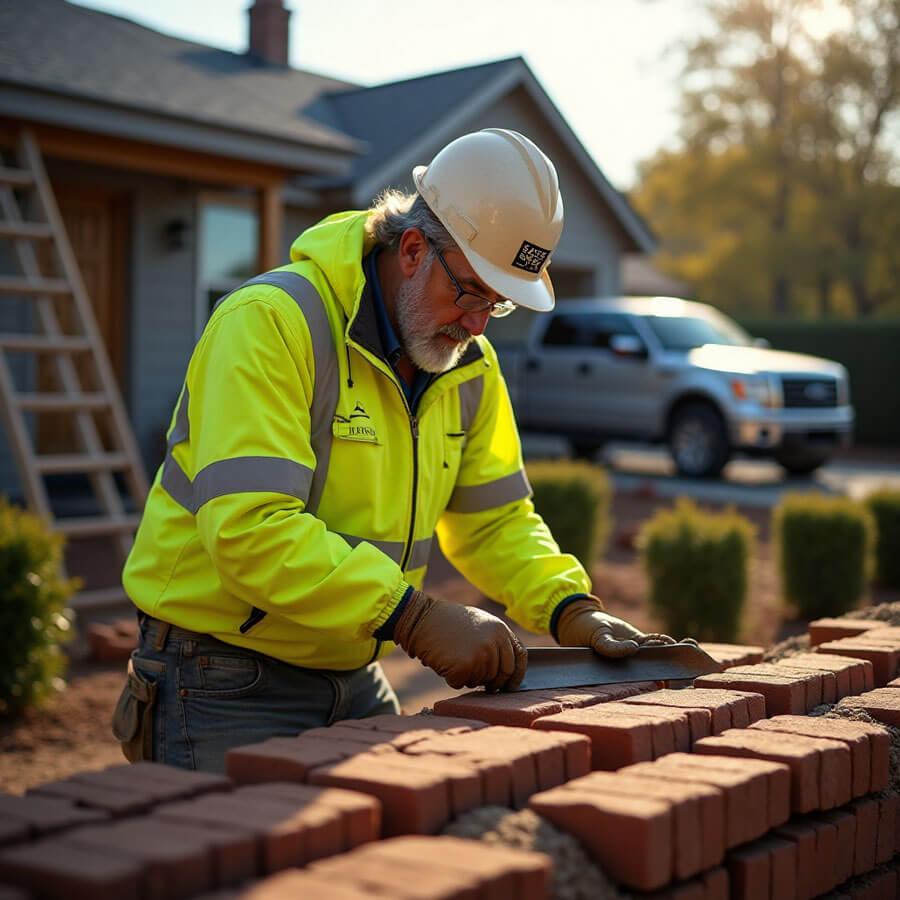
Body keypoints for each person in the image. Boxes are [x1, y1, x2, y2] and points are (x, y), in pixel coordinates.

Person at [114, 128, 674, 773]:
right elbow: (249, 528)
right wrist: (412, 617)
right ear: (412, 249)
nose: (478, 323)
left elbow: (493, 521)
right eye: (470, 291)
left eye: (498, 304)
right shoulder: (272, 322)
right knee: (242, 871)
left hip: (351, 666)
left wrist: (568, 607)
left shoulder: (470, 366)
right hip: (219, 675)